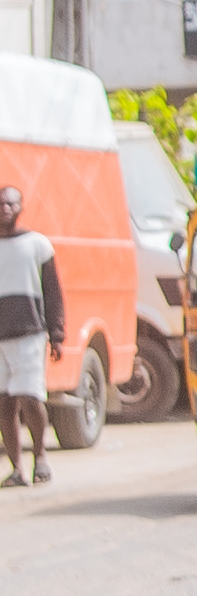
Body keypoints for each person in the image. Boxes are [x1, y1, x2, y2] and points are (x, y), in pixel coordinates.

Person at [0, 182, 64, 488]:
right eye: (0, 204)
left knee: (30, 398)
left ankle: (41, 457)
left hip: (29, 334)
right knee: (4, 404)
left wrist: (58, 334)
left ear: (20, 208)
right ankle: (16, 469)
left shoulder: (37, 244)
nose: (4, 209)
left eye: (10, 204)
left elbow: (53, 292)